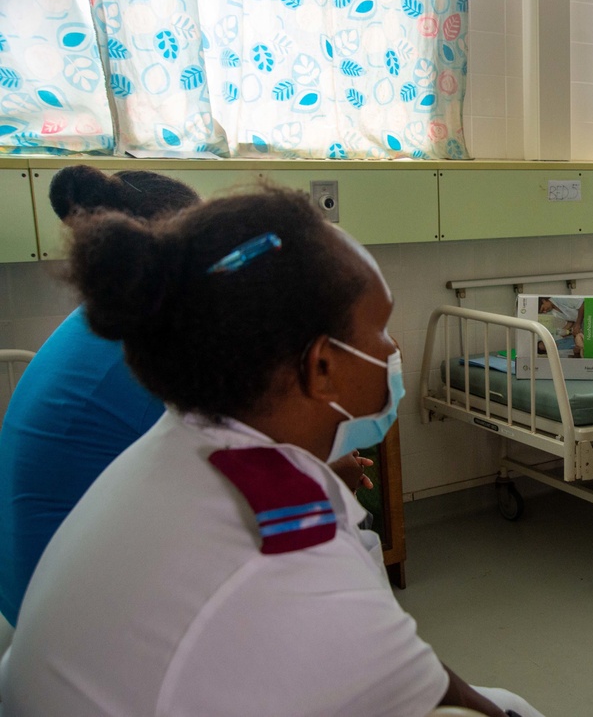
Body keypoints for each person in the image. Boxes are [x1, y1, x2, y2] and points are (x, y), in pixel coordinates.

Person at [0, 185, 543, 717]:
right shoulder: (289, 554)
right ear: (322, 366)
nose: (392, 348)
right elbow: (433, 690)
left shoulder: (181, 439)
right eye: (379, 328)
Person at [0, 166, 201, 629]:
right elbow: (230, 478)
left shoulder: (103, 320)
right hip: (59, 616)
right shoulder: (142, 349)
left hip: (25, 587)